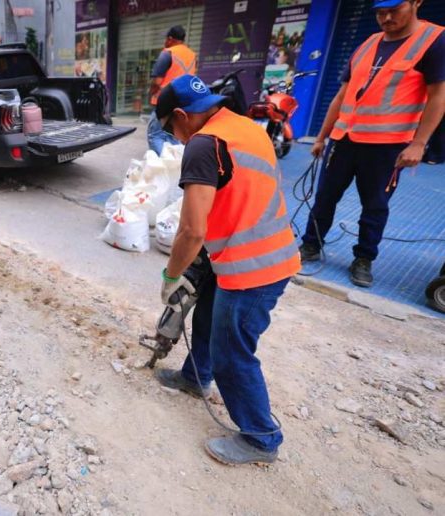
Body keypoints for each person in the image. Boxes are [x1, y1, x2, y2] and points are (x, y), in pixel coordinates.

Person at [155, 74, 301, 465]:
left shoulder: (203, 145)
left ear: (182, 115)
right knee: (206, 316)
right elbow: (235, 195)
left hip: (253, 267)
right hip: (261, 251)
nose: (175, 138)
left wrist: (171, 277)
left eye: (170, 129)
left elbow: (191, 229)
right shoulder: (241, 125)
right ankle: (194, 377)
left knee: (232, 351)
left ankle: (260, 438)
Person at [299, 0, 444, 287]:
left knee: (375, 206)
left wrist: (419, 143)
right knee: (325, 196)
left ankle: (363, 258)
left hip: (386, 145)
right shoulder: (367, 44)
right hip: (343, 140)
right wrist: (322, 136)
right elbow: (342, 95)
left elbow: (439, 96)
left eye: (394, 10)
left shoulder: (434, 41)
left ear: (416, 3)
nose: (386, 18)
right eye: (379, 12)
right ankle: (311, 244)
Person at [146, 25, 197, 154]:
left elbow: (157, 82)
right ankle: (176, 162)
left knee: (155, 135)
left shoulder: (168, 53)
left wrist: (151, 93)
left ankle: (163, 163)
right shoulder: (192, 55)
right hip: (183, 101)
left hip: (166, 100)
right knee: (174, 136)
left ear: (170, 39)